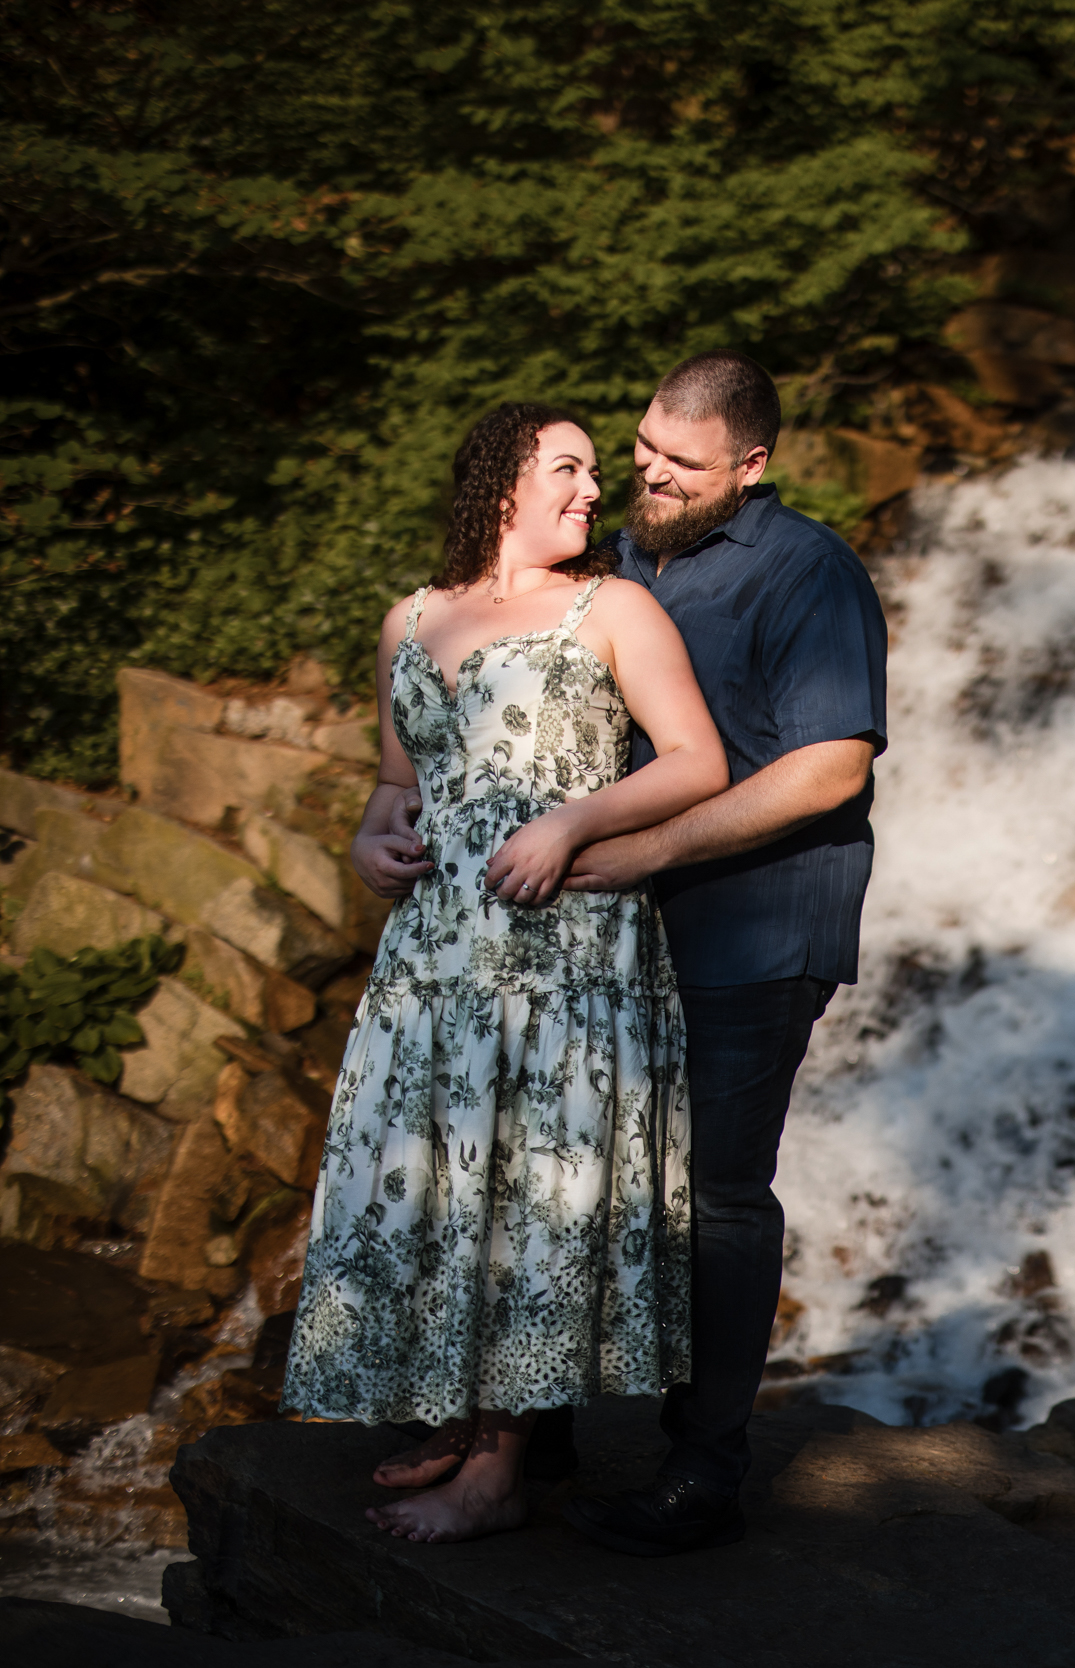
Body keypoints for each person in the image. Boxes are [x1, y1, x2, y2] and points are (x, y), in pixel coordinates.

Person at [363, 352, 888, 1555]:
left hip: (752, 925)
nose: (645, 472)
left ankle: (701, 1469)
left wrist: (640, 851)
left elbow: (829, 768)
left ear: (749, 468)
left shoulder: (805, 568)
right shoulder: (620, 556)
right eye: (640, 445)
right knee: (570, 1175)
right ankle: (526, 1427)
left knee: (710, 1198)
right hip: (592, 938)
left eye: (678, 463)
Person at [288, 403, 731, 1542]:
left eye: (594, 471)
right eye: (569, 470)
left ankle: (495, 1475)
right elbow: (398, 785)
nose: (594, 491)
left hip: (562, 952)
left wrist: (570, 825)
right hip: (434, 956)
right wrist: (368, 842)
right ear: (500, 484)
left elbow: (697, 761)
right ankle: (448, 1418)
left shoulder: (613, 609)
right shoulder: (412, 619)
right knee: (441, 1180)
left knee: (532, 1197)